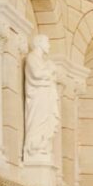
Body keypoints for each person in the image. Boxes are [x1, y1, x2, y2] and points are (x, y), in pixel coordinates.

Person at [23, 34, 59, 162]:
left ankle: (42, 146)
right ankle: (34, 147)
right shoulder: (32, 57)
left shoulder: (43, 61)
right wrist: (50, 70)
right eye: (47, 42)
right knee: (37, 120)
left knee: (46, 121)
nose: (49, 45)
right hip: (37, 97)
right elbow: (37, 74)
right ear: (39, 43)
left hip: (45, 96)